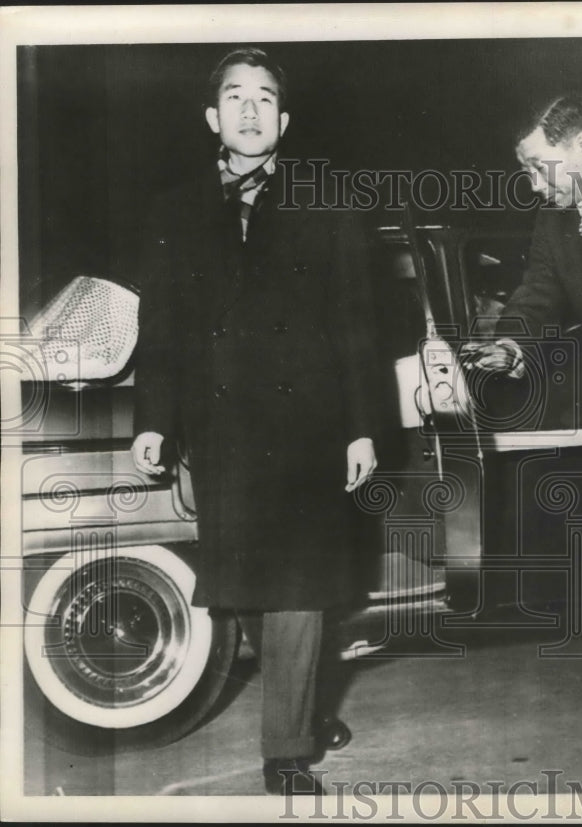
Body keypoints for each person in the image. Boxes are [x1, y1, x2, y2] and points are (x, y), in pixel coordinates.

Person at [130, 47, 381, 794]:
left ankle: (288, 747)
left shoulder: (327, 201)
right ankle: (297, 702)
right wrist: (154, 420)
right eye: (235, 97)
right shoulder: (172, 210)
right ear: (213, 118)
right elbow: (164, 328)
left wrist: (363, 426)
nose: (249, 110)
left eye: (265, 98)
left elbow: (358, 325)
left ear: (284, 118)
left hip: (310, 426)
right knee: (244, 586)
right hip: (223, 429)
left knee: (298, 583)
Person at [462, 94, 582, 729]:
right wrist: (510, 343)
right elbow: (537, 292)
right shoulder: (555, 220)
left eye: (540, 166)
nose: (533, 184)